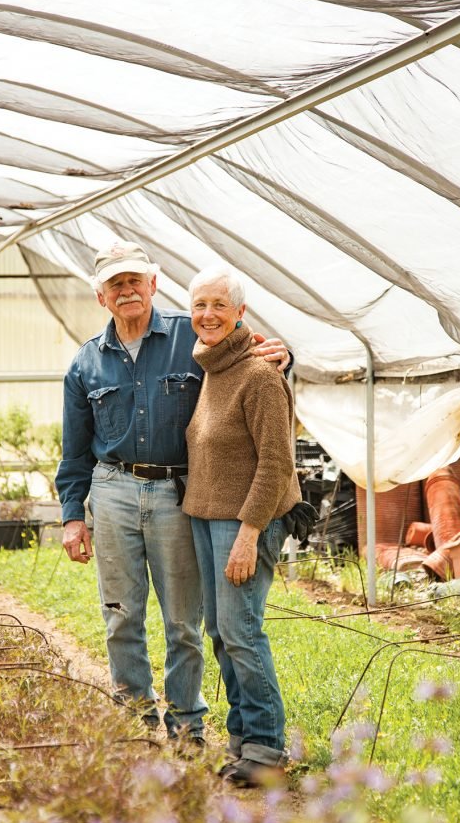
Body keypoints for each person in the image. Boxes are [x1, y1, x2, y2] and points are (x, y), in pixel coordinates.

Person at [56, 240, 292, 745]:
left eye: (135, 280)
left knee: (184, 620)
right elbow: (73, 452)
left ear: (153, 284)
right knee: (121, 615)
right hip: (114, 487)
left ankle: (187, 724)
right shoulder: (85, 364)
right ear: (101, 296)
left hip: (178, 493)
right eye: (115, 284)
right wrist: (73, 516)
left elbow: (251, 364)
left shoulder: (195, 334)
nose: (127, 291)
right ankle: (134, 717)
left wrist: (284, 355)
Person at [182, 263, 316, 785]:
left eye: (220, 305)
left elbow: (277, 463)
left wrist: (250, 531)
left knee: (242, 630)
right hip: (206, 516)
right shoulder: (214, 368)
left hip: (243, 523)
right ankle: (242, 741)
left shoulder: (260, 376)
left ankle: (266, 751)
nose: (208, 314)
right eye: (200, 305)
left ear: (242, 312)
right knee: (220, 630)